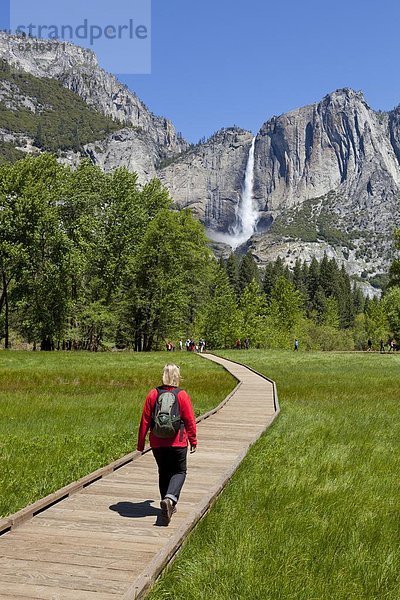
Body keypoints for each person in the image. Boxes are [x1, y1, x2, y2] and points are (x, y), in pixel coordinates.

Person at [137, 364, 197, 525]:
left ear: (163, 375)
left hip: (157, 442)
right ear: (178, 376)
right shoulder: (182, 395)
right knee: (179, 471)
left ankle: (167, 502)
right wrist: (193, 440)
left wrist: (141, 443)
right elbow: (190, 419)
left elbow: (145, 420)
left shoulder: (153, 394)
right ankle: (170, 499)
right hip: (178, 441)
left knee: (163, 472)